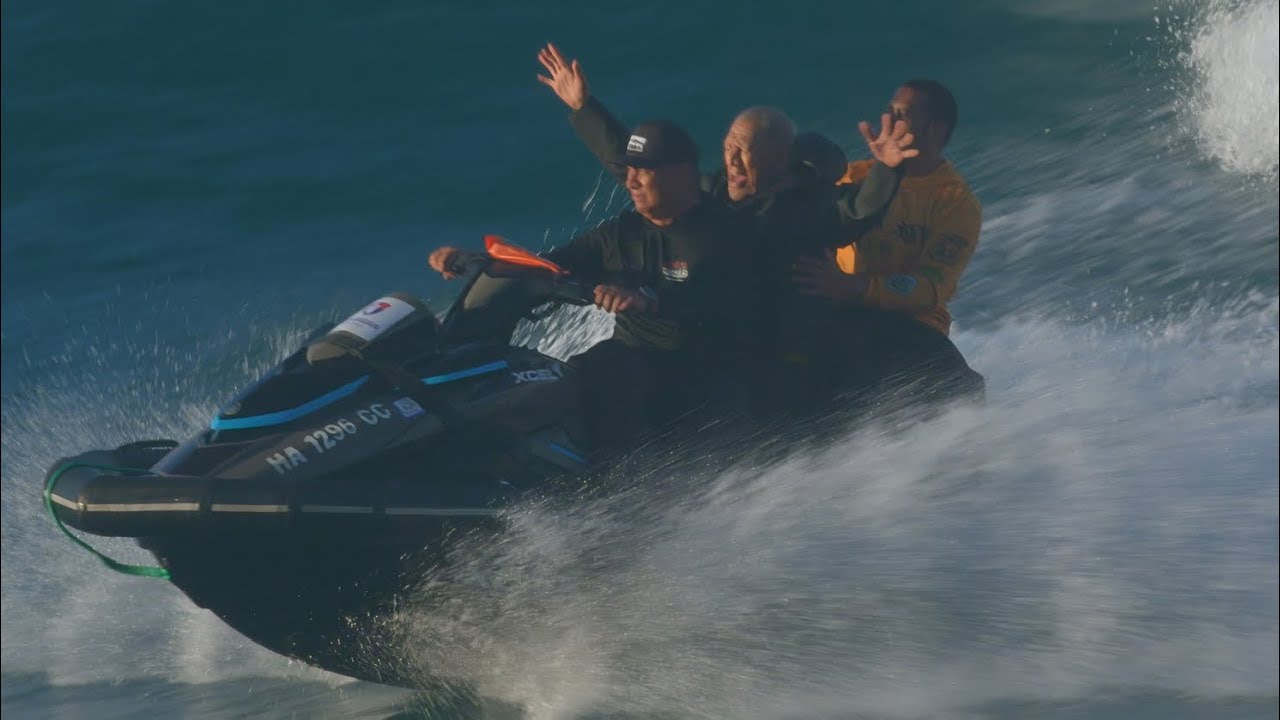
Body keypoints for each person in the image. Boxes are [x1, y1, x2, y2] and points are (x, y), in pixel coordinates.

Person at [535, 43, 919, 413]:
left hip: (776, 342)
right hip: (713, 331)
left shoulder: (805, 208)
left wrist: (889, 169)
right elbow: (643, 172)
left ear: (779, 159)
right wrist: (584, 108)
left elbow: (859, 210)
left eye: (746, 151)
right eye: (729, 146)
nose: (733, 161)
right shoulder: (710, 191)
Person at [429, 120, 742, 448]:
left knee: (605, 368)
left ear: (681, 173)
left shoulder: (722, 233)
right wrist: (474, 261)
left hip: (697, 370)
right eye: (628, 170)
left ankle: (618, 475)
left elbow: (713, 298)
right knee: (543, 380)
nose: (631, 181)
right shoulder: (623, 231)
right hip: (632, 356)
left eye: (643, 171)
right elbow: (549, 265)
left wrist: (646, 300)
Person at [792, 79, 984, 402]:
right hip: (839, 313)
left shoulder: (956, 204)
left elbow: (931, 286)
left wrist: (857, 287)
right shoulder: (856, 178)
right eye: (889, 112)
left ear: (935, 131)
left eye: (901, 115)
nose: (889, 123)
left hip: (912, 327)